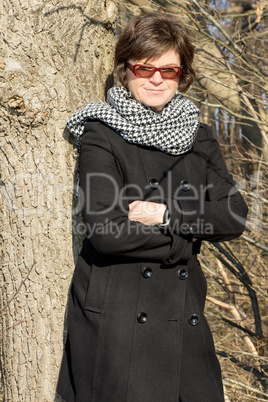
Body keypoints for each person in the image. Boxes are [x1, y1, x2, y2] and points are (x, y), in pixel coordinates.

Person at [57, 12, 248, 402]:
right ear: (125, 70)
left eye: (170, 69)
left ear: (183, 74)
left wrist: (166, 215)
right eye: (145, 68)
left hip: (185, 319)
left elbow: (233, 215)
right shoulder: (101, 132)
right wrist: (190, 236)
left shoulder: (199, 136)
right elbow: (107, 233)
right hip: (119, 324)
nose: (157, 79)